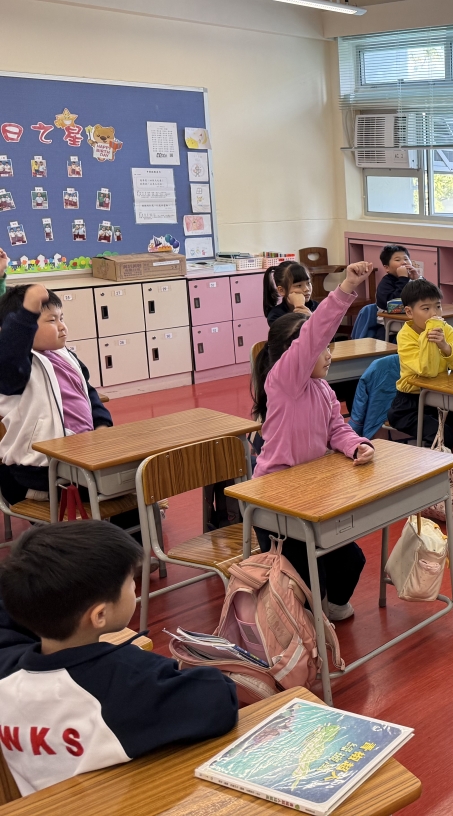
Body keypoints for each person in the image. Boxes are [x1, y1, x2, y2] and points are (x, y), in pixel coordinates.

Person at [0, 521, 238, 795]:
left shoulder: (7, 672)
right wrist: (138, 661)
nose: (135, 587)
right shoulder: (128, 681)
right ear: (100, 615)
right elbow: (219, 698)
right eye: (130, 582)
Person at [250, 261, 376, 623]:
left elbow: (337, 427)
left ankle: (325, 611)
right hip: (276, 500)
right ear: (299, 356)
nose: (329, 354)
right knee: (304, 577)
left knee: (352, 560)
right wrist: (346, 288)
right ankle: (301, 623)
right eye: (324, 349)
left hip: (312, 493)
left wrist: (356, 445)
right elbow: (314, 336)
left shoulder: (321, 388)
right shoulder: (285, 381)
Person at [0, 283, 129, 526]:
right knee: (121, 486)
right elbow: (11, 352)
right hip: (36, 471)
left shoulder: (66, 356)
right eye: (51, 320)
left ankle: (131, 542)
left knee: (133, 479)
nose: (62, 326)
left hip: (80, 457)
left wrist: (102, 426)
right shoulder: (16, 368)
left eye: (62, 318)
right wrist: (27, 310)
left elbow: (88, 394)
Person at [387, 279, 453, 500]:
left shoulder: (445, 329)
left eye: (437, 306)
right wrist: (431, 335)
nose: (434, 313)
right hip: (409, 404)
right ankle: (439, 489)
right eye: (426, 308)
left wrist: (445, 346)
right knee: (441, 433)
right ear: (409, 312)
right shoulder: (405, 336)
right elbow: (425, 370)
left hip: (440, 399)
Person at [262, 261, 317, 325]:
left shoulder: (317, 307)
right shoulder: (275, 315)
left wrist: (311, 316)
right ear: (281, 290)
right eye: (299, 285)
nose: (307, 289)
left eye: (308, 283)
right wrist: (300, 308)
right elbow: (294, 331)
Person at [375, 244, 418, 310]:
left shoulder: (412, 279)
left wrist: (418, 279)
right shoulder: (385, 283)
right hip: (391, 316)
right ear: (387, 268)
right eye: (397, 260)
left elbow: (429, 296)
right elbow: (393, 305)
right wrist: (403, 279)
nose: (404, 262)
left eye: (406, 259)